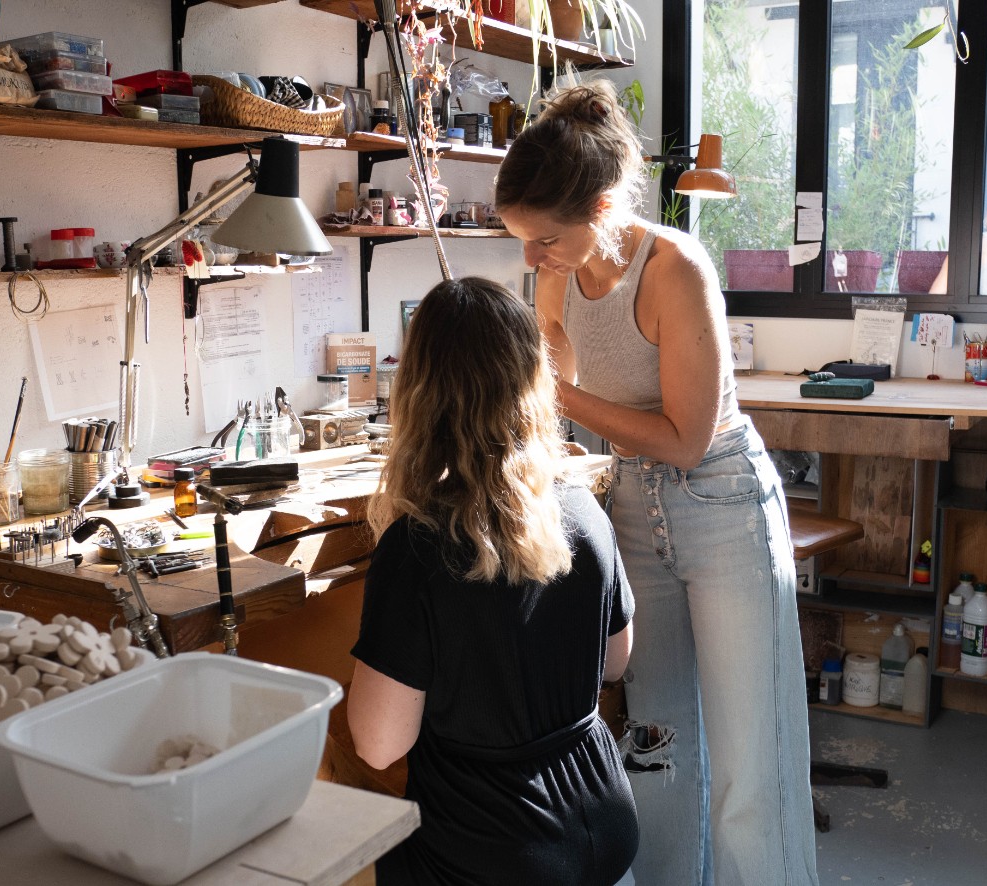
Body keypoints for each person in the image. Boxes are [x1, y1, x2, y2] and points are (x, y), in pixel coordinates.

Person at [494, 81, 819, 886]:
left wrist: (555, 396)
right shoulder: (556, 272)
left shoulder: (674, 269)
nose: (531, 258)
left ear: (601, 207)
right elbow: (551, 381)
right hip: (632, 507)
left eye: (542, 240)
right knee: (658, 750)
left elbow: (685, 437)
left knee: (750, 770)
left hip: (721, 505)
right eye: (522, 242)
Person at [347, 276, 639, 886]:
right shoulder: (583, 510)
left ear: (419, 394)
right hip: (602, 824)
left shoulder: (417, 548)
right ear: (533, 382)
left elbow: (378, 745)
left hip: (493, 852)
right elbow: (616, 662)